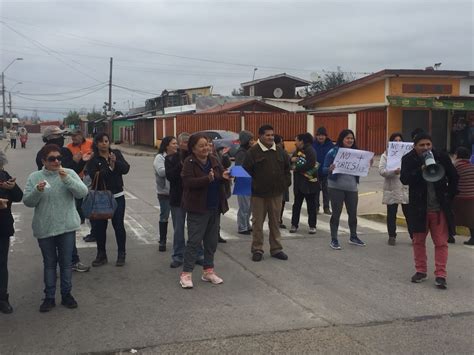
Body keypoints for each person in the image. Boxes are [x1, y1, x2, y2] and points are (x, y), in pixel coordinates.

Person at [23, 144, 88, 312]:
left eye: (59, 158)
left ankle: (67, 295)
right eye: (52, 159)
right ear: (43, 160)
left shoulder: (69, 173)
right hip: (45, 227)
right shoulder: (35, 176)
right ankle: (49, 297)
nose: (56, 161)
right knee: (50, 264)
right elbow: (28, 202)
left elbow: (82, 192)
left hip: (66, 226)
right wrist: (37, 190)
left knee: (66, 263)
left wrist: (66, 178)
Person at [400, 132, 458, 290]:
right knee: (418, 241)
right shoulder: (408, 159)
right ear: (415, 146)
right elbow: (404, 179)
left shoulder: (441, 156)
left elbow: (454, 176)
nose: (425, 148)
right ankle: (421, 271)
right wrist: (420, 169)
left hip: (438, 208)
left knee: (441, 242)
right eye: (422, 145)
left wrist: (449, 196)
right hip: (419, 208)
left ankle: (441, 275)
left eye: (428, 145)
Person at [179, 133, 230, 288]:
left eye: (207, 144)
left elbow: (219, 175)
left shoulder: (214, 159)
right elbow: (187, 183)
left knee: (211, 241)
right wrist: (206, 179)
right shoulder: (189, 162)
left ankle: (208, 271)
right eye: (201, 146)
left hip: (214, 206)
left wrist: (225, 175)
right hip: (197, 208)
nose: (205, 148)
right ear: (193, 148)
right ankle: (186, 274)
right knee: (194, 241)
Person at [36, 126, 90, 272]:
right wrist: (77, 161)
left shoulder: (62, 151)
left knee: (67, 231)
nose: (56, 160)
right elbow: (64, 170)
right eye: (58, 136)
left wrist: (80, 161)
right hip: (52, 196)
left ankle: (70, 261)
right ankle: (64, 264)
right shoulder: (50, 153)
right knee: (59, 235)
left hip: (66, 193)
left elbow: (71, 170)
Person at [243, 124, 291, 262]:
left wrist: (284, 184)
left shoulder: (280, 151)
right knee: (257, 223)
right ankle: (257, 249)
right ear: (260, 136)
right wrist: (255, 187)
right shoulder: (252, 152)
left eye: (272, 135)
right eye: (267, 135)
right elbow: (246, 172)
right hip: (258, 195)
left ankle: (276, 249)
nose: (271, 137)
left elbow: (287, 169)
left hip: (276, 194)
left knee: (275, 222)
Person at [86, 133, 130, 267]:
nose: (104, 143)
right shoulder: (94, 159)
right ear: (96, 144)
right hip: (101, 197)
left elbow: (126, 169)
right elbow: (94, 175)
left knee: (119, 226)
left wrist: (115, 162)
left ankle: (121, 254)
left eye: (106, 141)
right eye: (101, 141)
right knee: (100, 227)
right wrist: (109, 167)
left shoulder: (115, 153)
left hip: (117, 196)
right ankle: (101, 254)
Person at [323, 129, 368, 250]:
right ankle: (334, 239)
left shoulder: (358, 153)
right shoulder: (333, 152)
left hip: (352, 188)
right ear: (341, 139)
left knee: (352, 213)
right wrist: (329, 169)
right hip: (335, 187)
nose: (350, 140)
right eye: (347, 138)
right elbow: (323, 169)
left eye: (352, 138)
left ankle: (353, 236)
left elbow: (362, 168)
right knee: (336, 213)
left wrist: (367, 163)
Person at [0, 152, 23, 314]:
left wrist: (12, 187)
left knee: (1, 264)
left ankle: (2, 298)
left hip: (3, 226)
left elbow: (19, 196)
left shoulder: (3, 175)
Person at [378, 132, 411, 245]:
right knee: (391, 214)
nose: (398, 142)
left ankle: (413, 236)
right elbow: (381, 171)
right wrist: (393, 172)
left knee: (409, 214)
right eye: (395, 140)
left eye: (400, 140)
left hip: (405, 188)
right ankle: (392, 236)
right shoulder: (385, 155)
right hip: (392, 188)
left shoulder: (408, 154)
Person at [290, 133, 318, 234]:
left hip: (309, 183)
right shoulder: (297, 151)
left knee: (311, 205)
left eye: (296, 140)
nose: (295, 142)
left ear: (301, 141)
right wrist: (291, 160)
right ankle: (294, 224)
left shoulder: (310, 150)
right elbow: (291, 162)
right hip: (299, 183)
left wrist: (296, 168)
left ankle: (312, 225)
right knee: (296, 205)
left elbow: (310, 164)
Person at [153, 136, 178, 252]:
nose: (176, 146)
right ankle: (162, 240)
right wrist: (173, 167)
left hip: (176, 191)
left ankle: (178, 241)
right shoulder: (159, 158)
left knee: (178, 218)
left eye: (176, 143)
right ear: (167, 145)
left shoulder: (177, 156)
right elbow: (162, 172)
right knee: (164, 216)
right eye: (173, 143)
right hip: (164, 192)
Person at [66, 129, 93, 226]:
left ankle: (91, 217)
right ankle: (81, 218)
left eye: (75, 136)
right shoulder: (68, 147)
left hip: (89, 177)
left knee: (90, 198)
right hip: (76, 177)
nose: (73, 138)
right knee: (78, 199)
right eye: (72, 136)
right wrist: (74, 160)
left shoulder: (91, 143)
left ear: (81, 135)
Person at [451, 147, 474, 245]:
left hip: (459, 197)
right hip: (472, 197)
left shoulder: (455, 166)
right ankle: (473, 238)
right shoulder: (471, 166)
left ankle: (450, 236)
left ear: (457, 155)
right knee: (471, 219)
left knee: (451, 216)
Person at [235, 130, 255, 235]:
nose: (252, 141)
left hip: (250, 181)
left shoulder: (250, 151)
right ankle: (242, 226)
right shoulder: (241, 152)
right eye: (250, 139)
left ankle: (247, 224)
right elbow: (238, 168)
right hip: (243, 181)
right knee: (244, 206)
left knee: (250, 206)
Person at [312, 127, 334, 215]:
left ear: (326, 136)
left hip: (326, 172)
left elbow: (334, 157)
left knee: (326, 191)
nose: (321, 137)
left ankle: (326, 207)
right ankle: (316, 207)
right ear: (316, 136)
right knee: (316, 191)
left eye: (322, 135)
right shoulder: (313, 144)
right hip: (315, 171)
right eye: (319, 135)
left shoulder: (330, 145)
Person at [274, 134, 290, 229]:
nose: (282, 143)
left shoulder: (284, 152)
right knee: (275, 203)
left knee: (282, 202)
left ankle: (279, 220)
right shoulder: (274, 152)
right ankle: (276, 220)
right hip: (277, 182)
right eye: (281, 141)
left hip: (283, 181)